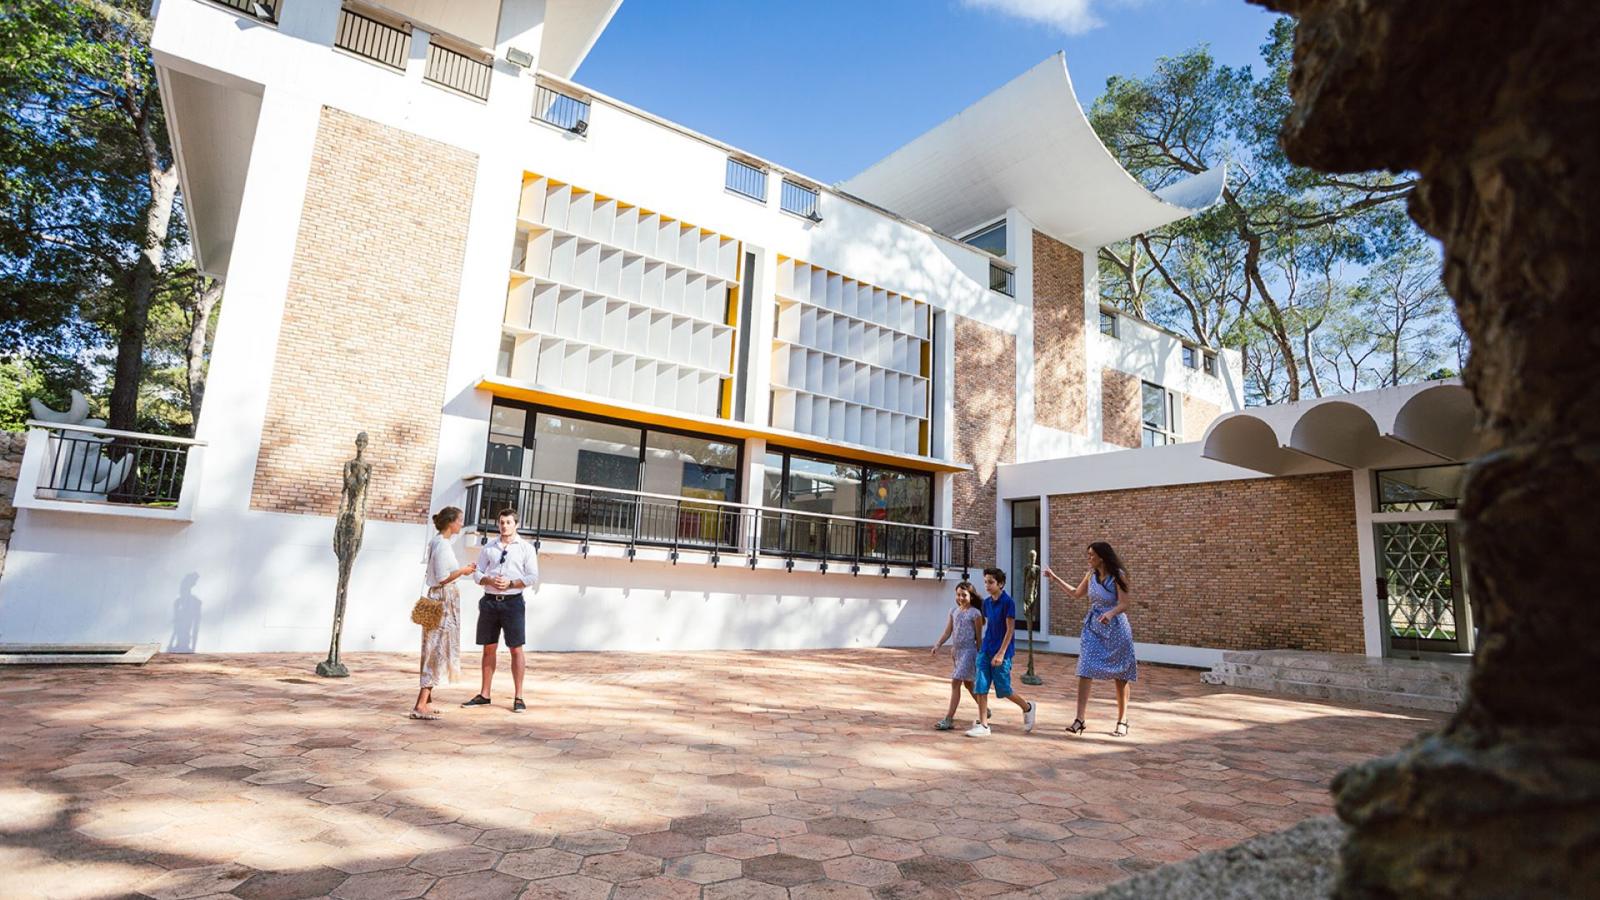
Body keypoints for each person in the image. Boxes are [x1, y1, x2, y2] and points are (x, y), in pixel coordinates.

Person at [1046, 541, 1138, 736]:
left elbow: (1124, 603)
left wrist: (1110, 614)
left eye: (1091, 555)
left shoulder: (1118, 576)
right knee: (1085, 668)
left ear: (1102, 557)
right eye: (1087, 554)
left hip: (1116, 629)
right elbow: (1076, 593)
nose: (1088, 558)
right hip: (1093, 628)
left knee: (1121, 675)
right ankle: (1079, 719)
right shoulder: (1090, 575)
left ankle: (1122, 720)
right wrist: (1054, 578)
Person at [460, 508, 539, 713]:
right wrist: (488, 579)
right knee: (488, 648)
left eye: (509, 522)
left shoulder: (526, 549)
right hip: (489, 603)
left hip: (513, 604)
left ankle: (519, 696)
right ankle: (485, 694)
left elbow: (532, 577)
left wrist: (511, 583)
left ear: (516, 524)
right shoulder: (489, 547)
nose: (504, 526)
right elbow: (477, 573)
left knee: (516, 649)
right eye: (502, 522)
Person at [412, 506, 475, 720]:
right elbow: (441, 577)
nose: (461, 524)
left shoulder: (440, 542)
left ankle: (426, 701)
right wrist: (464, 571)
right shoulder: (442, 546)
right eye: (459, 520)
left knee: (434, 648)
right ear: (451, 522)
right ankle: (421, 704)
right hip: (442, 601)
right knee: (435, 650)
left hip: (443, 600)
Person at [967, 567, 1038, 736]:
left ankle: (1027, 707)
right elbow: (985, 623)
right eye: (985, 582)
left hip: (1002, 652)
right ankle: (983, 725)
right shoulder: (986, 603)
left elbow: (1010, 629)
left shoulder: (1008, 602)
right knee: (980, 685)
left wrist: (1001, 653)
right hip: (986, 650)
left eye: (991, 582)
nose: (987, 585)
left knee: (1004, 689)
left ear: (1000, 583)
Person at [930, 581, 985, 731]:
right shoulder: (953, 611)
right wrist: (938, 644)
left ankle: (949, 719)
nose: (961, 597)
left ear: (971, 596)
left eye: (964, 595)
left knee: (955, 682)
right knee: (968, 684)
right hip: (957, 652)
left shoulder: (976, 614)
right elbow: (948, 631)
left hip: (969, 652)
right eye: (958, 594)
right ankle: (984, 709)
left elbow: (979, 638)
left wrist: (981, 657)